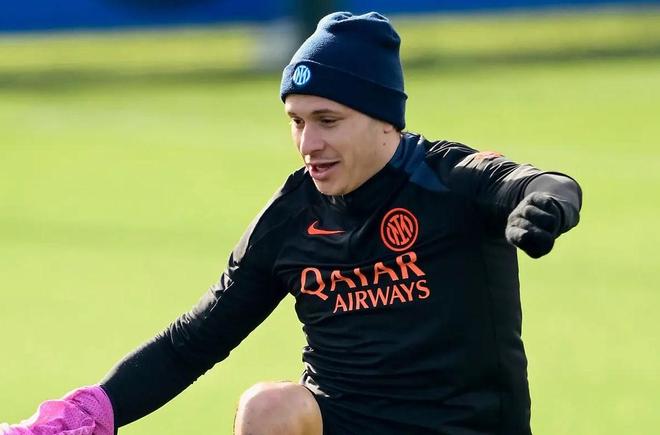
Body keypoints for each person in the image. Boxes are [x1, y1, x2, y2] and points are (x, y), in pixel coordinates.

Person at [2, 11, 582, 435]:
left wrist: (544, 208)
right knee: (269, 408)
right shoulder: (290, 217)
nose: (308, 144)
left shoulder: (448, 177)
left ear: (385, 120)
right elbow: (194, 342)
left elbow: (545, 183)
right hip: (344, 422)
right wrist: (84, 415)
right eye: (296, 121)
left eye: (327, 120)